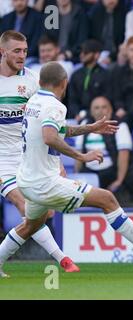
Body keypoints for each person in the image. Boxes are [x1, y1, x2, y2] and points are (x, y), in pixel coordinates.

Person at [0, 62, 133, 278]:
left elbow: (60, 130)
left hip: (27, 181)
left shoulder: (33, 102)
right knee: (107, 199)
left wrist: (91, 128)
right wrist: (81, 156)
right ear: (64, 84)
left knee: (30, 226)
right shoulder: (55, 106)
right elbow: (50, 136)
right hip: (45, 183)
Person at [0, 30, 77, 275]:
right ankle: (63, 259)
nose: (22, 56)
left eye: (24, 51)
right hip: (2, 159)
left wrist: (58, 162)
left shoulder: (33, 82)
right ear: (2, 51)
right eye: (16, 51)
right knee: (23, 205)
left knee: (42, 213)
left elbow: (50, 126)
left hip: (28, 157)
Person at [75, 96, 133, 195]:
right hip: (88, 170)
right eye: (96, 108)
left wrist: (119, 181)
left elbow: (124, 155)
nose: (100, 111)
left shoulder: (120, 125)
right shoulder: (85, 124)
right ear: (91, 111)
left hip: (110, 171)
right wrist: (77, 176)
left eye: (104, 107)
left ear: (110, 110)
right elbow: (78, 153)